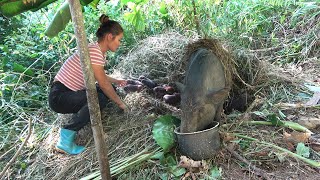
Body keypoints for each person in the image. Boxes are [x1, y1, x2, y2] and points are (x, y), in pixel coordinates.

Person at [48, 14, 127, 155]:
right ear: (110, 37)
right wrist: (120, 103)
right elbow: (103, 83)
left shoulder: (95, 50)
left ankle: (89, 123)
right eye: (119, 40)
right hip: (60, 96)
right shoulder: (95, 52)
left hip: (65, 93)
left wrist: (116, 81)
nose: (120, 44)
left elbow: (100, 76)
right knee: (99, 97)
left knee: (106, 91)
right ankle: (65, 141)